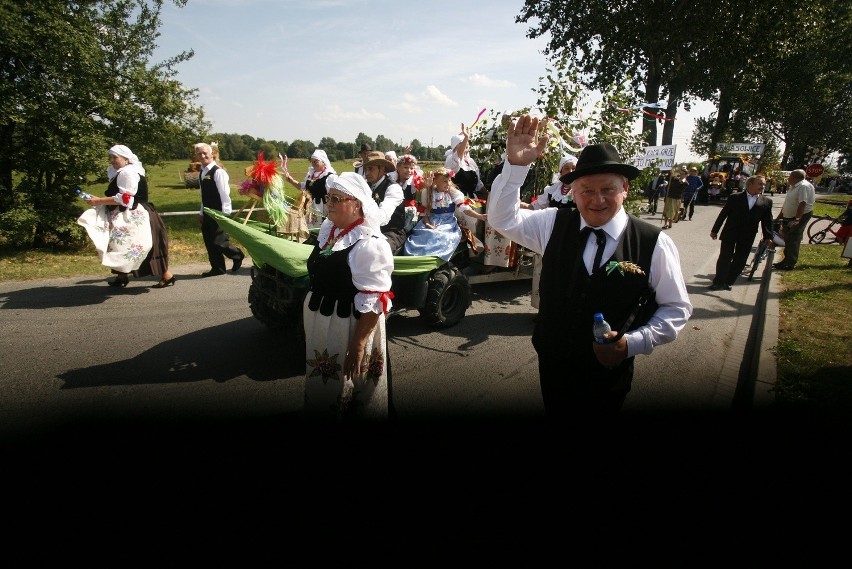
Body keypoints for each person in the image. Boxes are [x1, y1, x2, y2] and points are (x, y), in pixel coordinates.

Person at [487, 115, 692, 424]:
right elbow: (502, 220)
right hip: (553, 364)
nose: (597, 200)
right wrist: (515, 168)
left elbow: (676, 308)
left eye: (608, 189)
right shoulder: (553, 223)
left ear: (624, 187)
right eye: (586, 190)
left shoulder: (654, 243)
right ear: (572, 191)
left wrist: (631, 343)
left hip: (608, 375)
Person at [302, 172, 394, 421]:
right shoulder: (329, 229)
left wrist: (358, 344)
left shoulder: (369, 245)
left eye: (336, 198)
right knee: (324, 384)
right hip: (324, 322)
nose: (329, 203)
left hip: (349, 327)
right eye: (328, 197)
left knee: (352, 385)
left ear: (356, 204)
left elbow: (375, 301)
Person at [77, 145, 176, 289]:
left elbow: (125, 198)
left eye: (115, 157)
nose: (112, 160)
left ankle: (167, 275)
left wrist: (98, 201)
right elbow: (119, 196)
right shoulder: (125, 172)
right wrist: (99, 199)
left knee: (138, 245)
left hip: (136, 215)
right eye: (110, 157)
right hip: (130, 213)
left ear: (126, 158)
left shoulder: (127, 173)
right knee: (120, 244)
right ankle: (121, 276)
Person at [523, 154, 578, 313]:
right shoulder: (552, 190)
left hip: (573, 237)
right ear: (560, 172)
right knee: (547, 273)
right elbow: (537, 206)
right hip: (552, 235)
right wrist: (519, 205)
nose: (570, 171)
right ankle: (544, 310)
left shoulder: (581, 189)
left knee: (567, 274)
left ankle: (564, 311)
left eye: (573, 168)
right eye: (566, 168)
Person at [402, 167, 487, 261]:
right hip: (431, 220)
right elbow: (425, 213)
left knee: (441, 235)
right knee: (424, 234)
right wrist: (427, 223)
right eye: (444, 181)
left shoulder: (453, 193)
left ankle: (435, 258)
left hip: (448, 222)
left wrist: (480, 216)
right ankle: (419, 258)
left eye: (449, 181)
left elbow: (465, 209)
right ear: (436, 182)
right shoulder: (428, 193)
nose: (448, 184)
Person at [708, 175, 774, 291]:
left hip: (748, 235)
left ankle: (728, 281)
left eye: (763, 184)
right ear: (750, 184)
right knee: (725, 257)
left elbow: (767, 220)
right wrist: (715, 230)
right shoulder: (735, 197)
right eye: (760, 184)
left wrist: (768, 236)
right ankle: (718, 282)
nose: (762, 186)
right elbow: (724, 214)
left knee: (740, 260)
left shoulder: (766, 201)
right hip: (730, 232)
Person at [195, 142, 244, 277]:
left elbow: (225, 195)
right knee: (209, 241)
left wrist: (225, 215)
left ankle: (237, 255)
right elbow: (202, 195)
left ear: (212, 154)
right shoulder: (201, 172)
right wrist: (201, 212)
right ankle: (217, 268)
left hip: (218, 212)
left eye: (205, 152)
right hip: (207, 212)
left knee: (219, 241)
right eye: (199, 153)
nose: (202, 155)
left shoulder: (218, 172)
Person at [361, 150, 407, 254]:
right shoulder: (366, 186)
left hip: (391, 233)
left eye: (371, 169)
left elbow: (382, 217)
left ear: (382, 169)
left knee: (375, 251)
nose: (367, 173)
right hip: (369, 230)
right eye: (365, 169)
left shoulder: (393, 188)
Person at [773, 169, 815, 270]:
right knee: (787, 238)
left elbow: (802, 203)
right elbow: (787, 203)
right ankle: (785, 261)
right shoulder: (794, 186)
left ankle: (790, 263)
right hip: (790, 216)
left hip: (800, 216)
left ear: (795, 177)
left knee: (793, 238)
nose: (788, 178)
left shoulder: (803, 186)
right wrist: (779, 217)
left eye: (790, 176)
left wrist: (797, 219)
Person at [283, 148, 335, 228]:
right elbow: (303, 187)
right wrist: (291, 180)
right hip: (308, 208)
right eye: (312, 161)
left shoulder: (330, 177)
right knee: (308, 229)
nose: (313, 164)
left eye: (316, 161)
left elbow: (333, 195)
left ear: (323, 162)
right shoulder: (310, 175)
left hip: (322, 209)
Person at [444, 122, 484, 199]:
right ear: (455, 147)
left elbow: (478, 184)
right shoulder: (451, 159)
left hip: (471, 199)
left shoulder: (470, 162)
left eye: (467, 147)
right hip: (456, 200)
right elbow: (459, 155)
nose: (466, 149)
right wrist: (466, 137)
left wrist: (488, 196)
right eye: (463, 146)